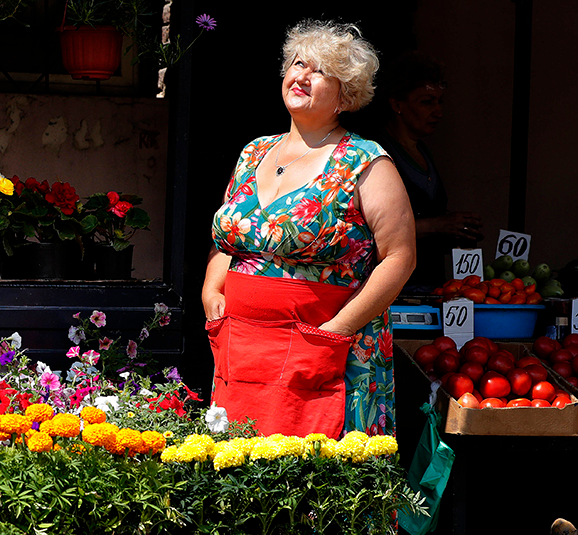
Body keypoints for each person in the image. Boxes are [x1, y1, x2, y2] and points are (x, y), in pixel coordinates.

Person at [201, 20, 416, 438]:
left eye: (319, 71)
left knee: (320, 483)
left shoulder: (365, 160)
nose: (301, 76)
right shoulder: (253, 152)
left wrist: (336, 330)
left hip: (329, 349)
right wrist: (211, 292)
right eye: (298, 64)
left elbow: (400, 258)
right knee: (240, 475)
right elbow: (230, 240)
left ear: (345, 95)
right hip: (244, 347)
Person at [374, 52, 482, 288]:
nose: (438, 112)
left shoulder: (422, 151)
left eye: (439, 102)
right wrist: (439, 225)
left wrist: (455, 229)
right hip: (393, 288)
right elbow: (371, 231)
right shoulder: (376, 153)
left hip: (430, 283)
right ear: (397, 105)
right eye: (426, 102)